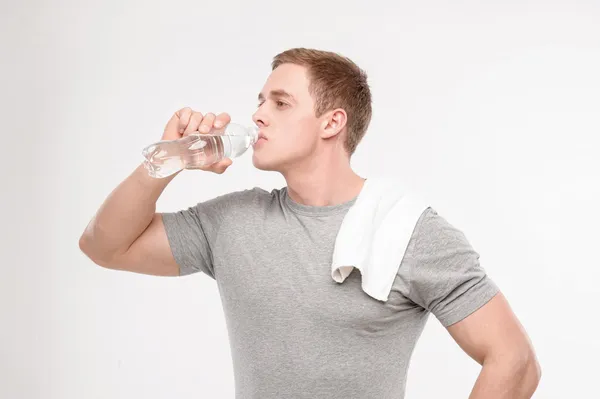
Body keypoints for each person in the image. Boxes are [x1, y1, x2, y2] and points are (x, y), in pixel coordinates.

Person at [79, 48, 541, 398]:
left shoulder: (406, 230)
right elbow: (104, 246)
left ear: (331, 122)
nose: (257, 114)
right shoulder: (231, 221)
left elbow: (514, 360)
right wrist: (169, 159)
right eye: (259, 100)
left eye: (280, 103)